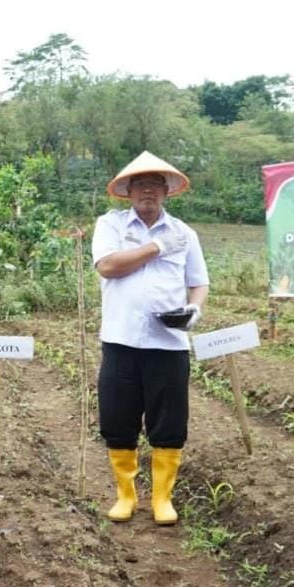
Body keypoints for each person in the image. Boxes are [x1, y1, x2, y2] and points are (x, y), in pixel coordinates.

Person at [91, 151, 210, 526]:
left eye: (155, 184)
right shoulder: (111, 226)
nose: (147, 191)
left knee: (169, 422)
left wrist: (194, 308)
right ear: (127, 191)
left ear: (166, 191)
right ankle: (125, 495)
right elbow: (108, 266)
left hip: (169, 342)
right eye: (139, 184)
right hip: (121, 339)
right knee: (117, 419)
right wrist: (156, 248)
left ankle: (162, 499)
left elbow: (198, 282)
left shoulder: (185, 233)